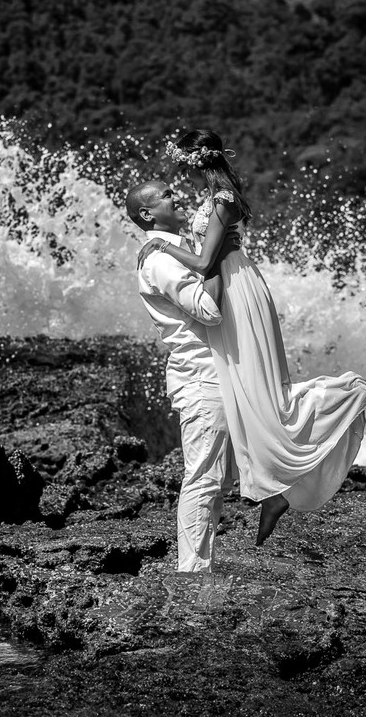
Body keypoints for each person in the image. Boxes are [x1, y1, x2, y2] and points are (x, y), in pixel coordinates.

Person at [139, 129, 366, 547]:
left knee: (266, 394)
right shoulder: (214, 199)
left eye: (182, 167)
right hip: (233, 284)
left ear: (196, 162)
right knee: (252, 399)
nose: (180, 182)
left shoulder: (221, 201)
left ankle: (347, 392)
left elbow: (204, 263)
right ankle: (275, 493)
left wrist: (161, 250)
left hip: (237, 290)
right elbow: (207, 256)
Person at [127, 179, 239, 573]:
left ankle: (198, 566)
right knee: (203, 477)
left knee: (219, 479)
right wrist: (218, 253)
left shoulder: (175, 251)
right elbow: (207, 309)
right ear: (147, 214)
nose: (177, 197)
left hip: (210, 373)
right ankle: (192, 573)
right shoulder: (160, 259)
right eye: (166, 195)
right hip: (201, 377)